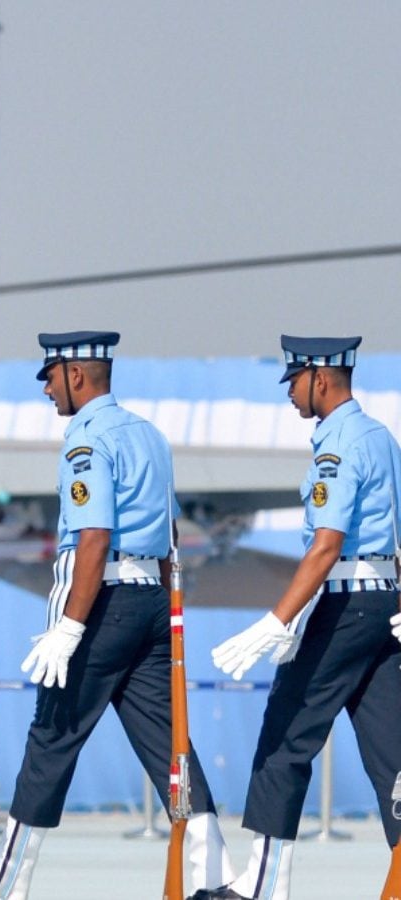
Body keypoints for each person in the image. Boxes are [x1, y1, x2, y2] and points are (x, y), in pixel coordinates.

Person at [0, 331, 233, 900]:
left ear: (77, 374)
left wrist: (71, 627)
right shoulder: (151, 436)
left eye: (51, 375)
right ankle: (214, 875)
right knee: (170, 745)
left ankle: (2, 885)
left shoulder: (87, 442)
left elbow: (93, 537)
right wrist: (164, 612)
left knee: (51, 740)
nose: (46, 387)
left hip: (102, 604)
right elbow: (169, 536)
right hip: (147, 599)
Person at [203, 336, 401, 900]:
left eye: (293, 380)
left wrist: (277, 620)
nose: (290, 393)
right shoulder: (383, 439)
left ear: (319, 377)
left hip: (344, 604)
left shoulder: (336, 445)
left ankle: (262, 887)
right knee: (393, 754)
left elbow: (326, 544)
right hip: (383, 604)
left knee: (284, 737)